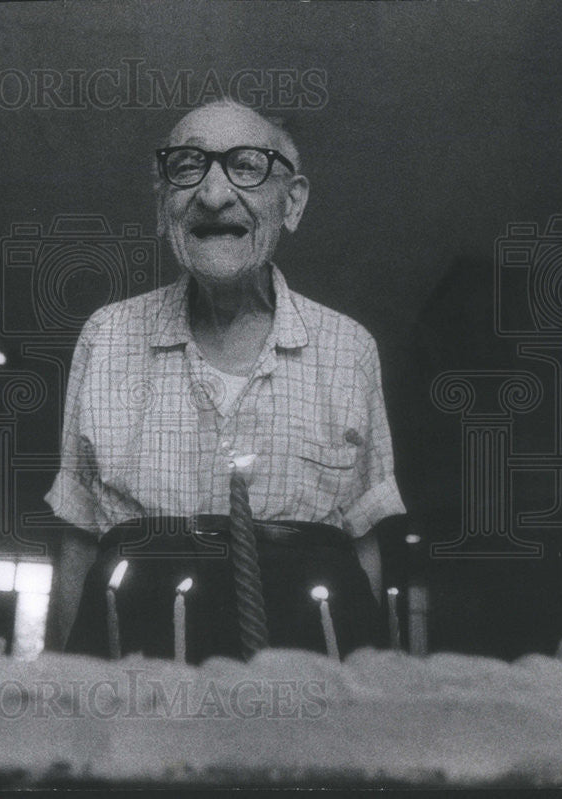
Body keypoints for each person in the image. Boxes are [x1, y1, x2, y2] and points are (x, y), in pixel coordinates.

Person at [44, 100, 406, 661]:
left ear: (292, 202)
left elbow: (364, 541)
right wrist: (60, 696)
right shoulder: (107, 336)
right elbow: (76, 540)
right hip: (135, 662)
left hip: (307, 670)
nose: (213, 195)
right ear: (162, 202)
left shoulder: (350, 348)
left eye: (247, 166)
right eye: (187, 166)